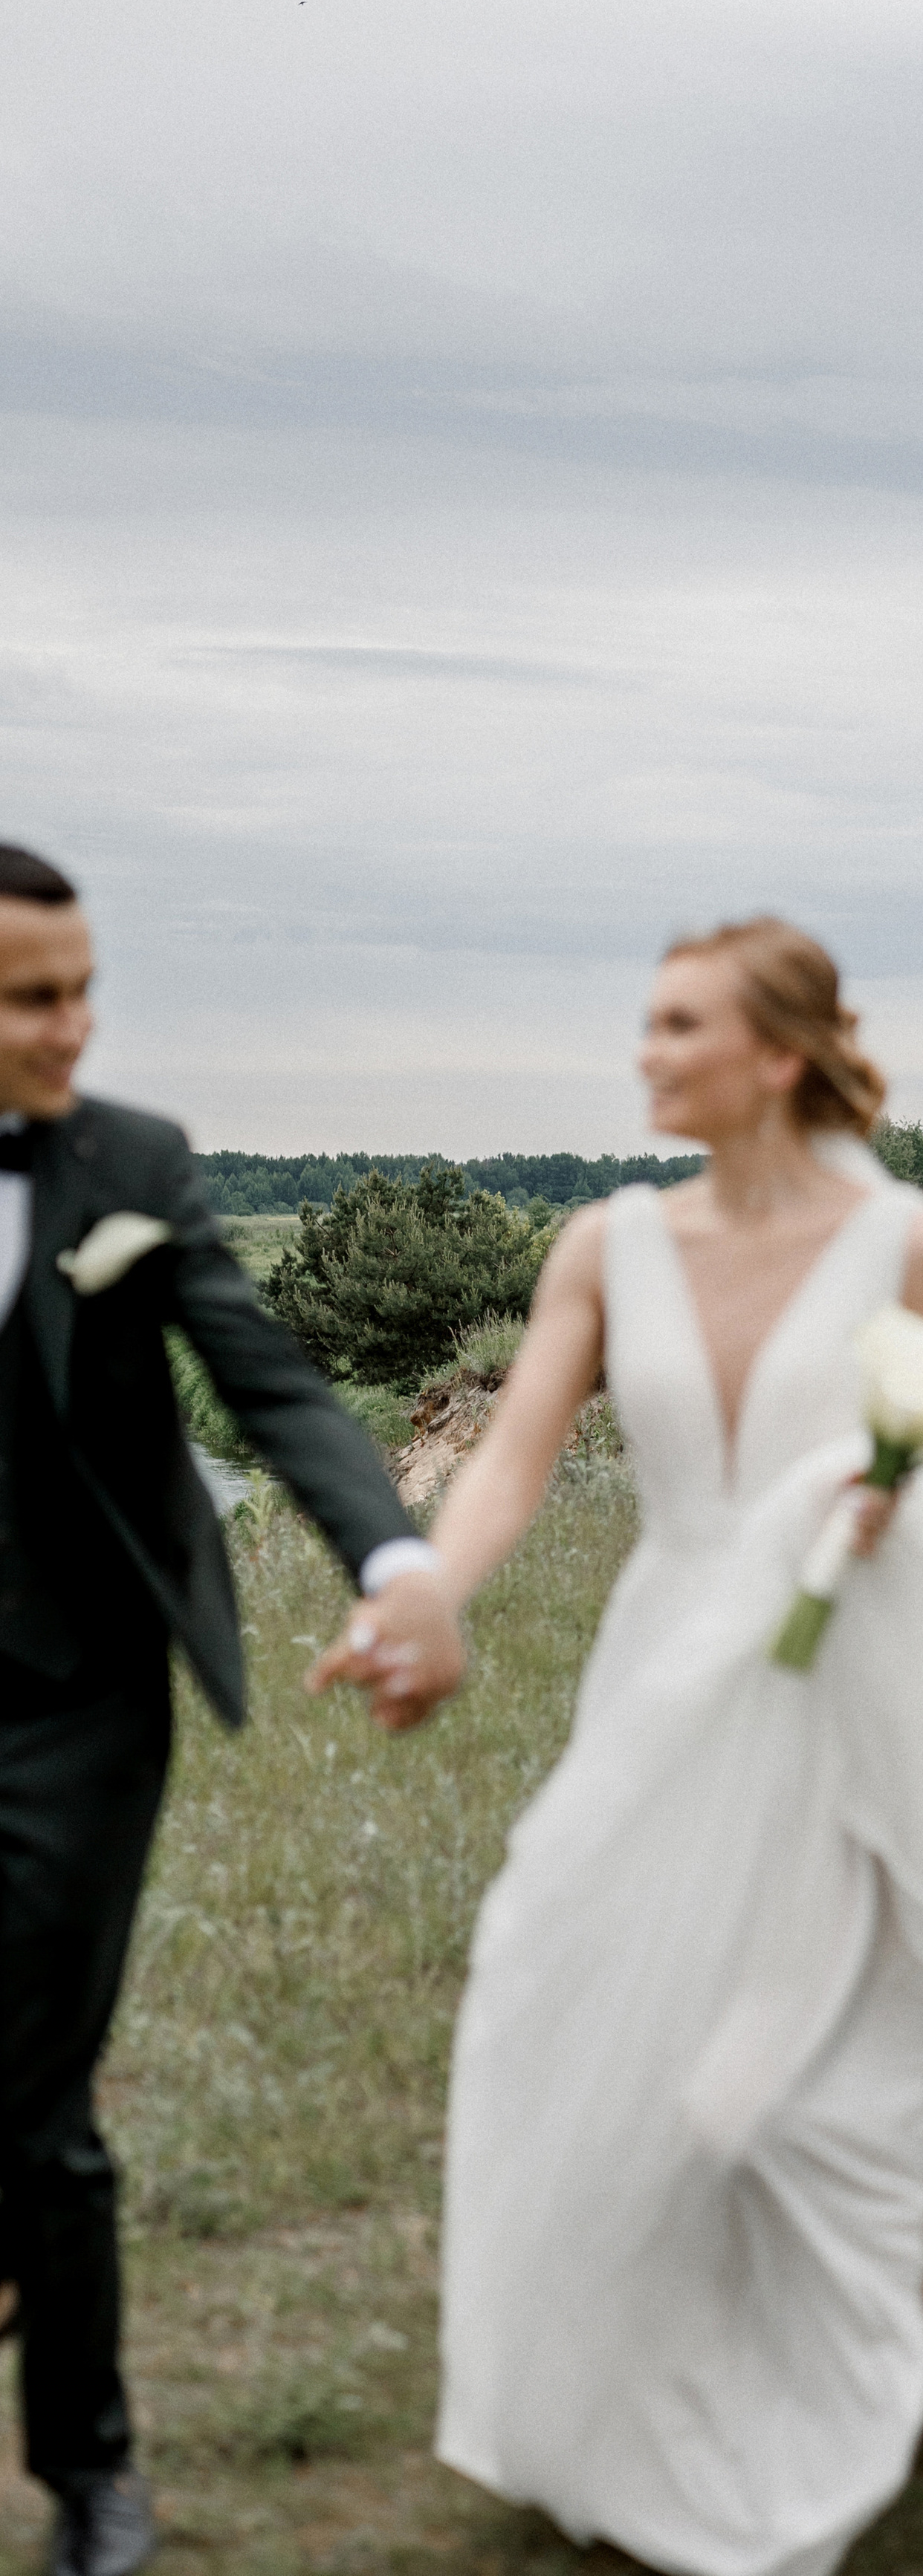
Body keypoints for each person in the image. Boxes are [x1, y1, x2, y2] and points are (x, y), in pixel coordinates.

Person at [316, 917, 923, 2576]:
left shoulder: (908, 1244)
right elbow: (513, 1459)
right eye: (646, 1022)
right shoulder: (605, 1244)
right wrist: (426, 1593)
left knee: (797, 2075)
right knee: (584, 1995)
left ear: (777, 1055)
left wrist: (891, 1513)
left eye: (678, 1025)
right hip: (669, 1692)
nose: (646, 1053)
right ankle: (740, 2336)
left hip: (860, 1689)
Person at [0, 843, 459, 2576]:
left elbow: (271, 1385)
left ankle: (93, 2473)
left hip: (74, 1696)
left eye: (82, 990)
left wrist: (395, 1561)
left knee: (35, 2088)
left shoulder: (133, 1165)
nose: (74, 1027)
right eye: (32, 998)